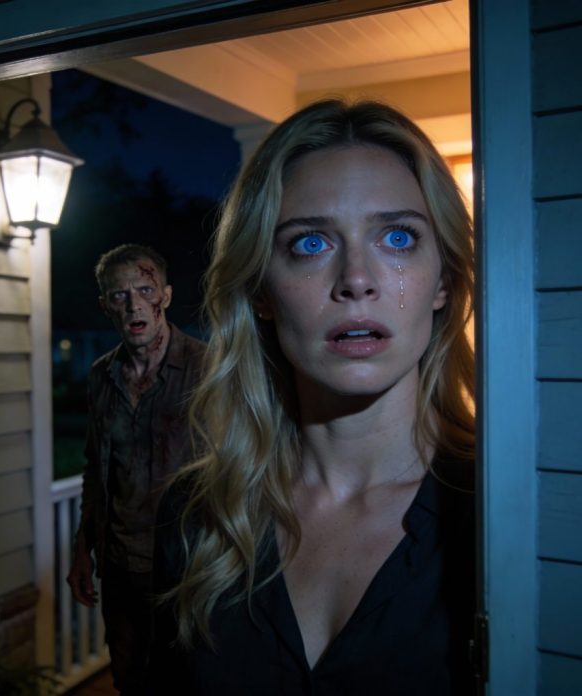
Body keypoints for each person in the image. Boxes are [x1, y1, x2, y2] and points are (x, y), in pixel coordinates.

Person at [149, 100, 476, 695]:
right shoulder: (198, 517)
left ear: (444, 281)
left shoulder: (502, 513)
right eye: (310, 243)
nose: (357, 279)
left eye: (397, 237)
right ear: (260, 290)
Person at [66, 243, 205, 695]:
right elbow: (96, 468)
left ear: (165, 295)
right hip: (121, 570)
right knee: (130, 682)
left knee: (188, 684)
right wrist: (83, 548)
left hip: (187, 572)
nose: (133, 306)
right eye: (119, 295)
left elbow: (237, 469)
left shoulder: (209, 370)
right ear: (105, 304)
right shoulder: (101, 376)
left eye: (145, 290)